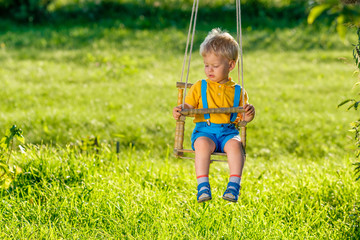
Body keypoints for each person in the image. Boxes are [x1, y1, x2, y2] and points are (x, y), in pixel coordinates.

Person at [172, 28, 255, 203]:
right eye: (206, 65)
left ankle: (233, 185)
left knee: (235, 146)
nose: (209, 70)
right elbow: (188, 106)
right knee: (201, 145)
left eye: (215, 66)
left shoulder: (238, 92)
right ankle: (203, 185)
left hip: (228, 133)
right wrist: (181, 109)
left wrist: (247, 116)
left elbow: (241, 120)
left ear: (231, 66)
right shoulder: (199, 86)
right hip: (205, 132)